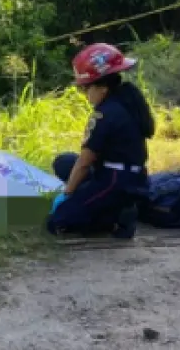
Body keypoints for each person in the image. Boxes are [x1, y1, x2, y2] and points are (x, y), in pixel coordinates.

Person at [46, 43, 156, 239]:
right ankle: (108, 205)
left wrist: (67, 194)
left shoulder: (105, 115)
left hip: (115, 180)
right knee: (63, 162)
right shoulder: (126, 100)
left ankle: (115, 219)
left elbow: (85, 162)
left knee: (57, 221)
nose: (85, 95)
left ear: (102, 88)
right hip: (131, 175)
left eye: (85, 89)